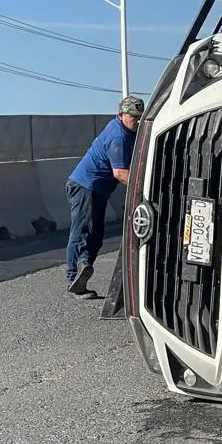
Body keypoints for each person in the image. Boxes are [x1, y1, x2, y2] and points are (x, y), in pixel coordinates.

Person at [65, 96, 142, 296]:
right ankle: (74, 276)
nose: (136, 120)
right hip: (86, 186)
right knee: (82, 231)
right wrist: (145, 188)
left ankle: (83, 266)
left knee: (96, 235)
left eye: (139, 117)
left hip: (97, 189)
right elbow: (120, 173)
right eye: (132, 116)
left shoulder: (129, 131)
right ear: (121, 115)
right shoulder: (119, 136)